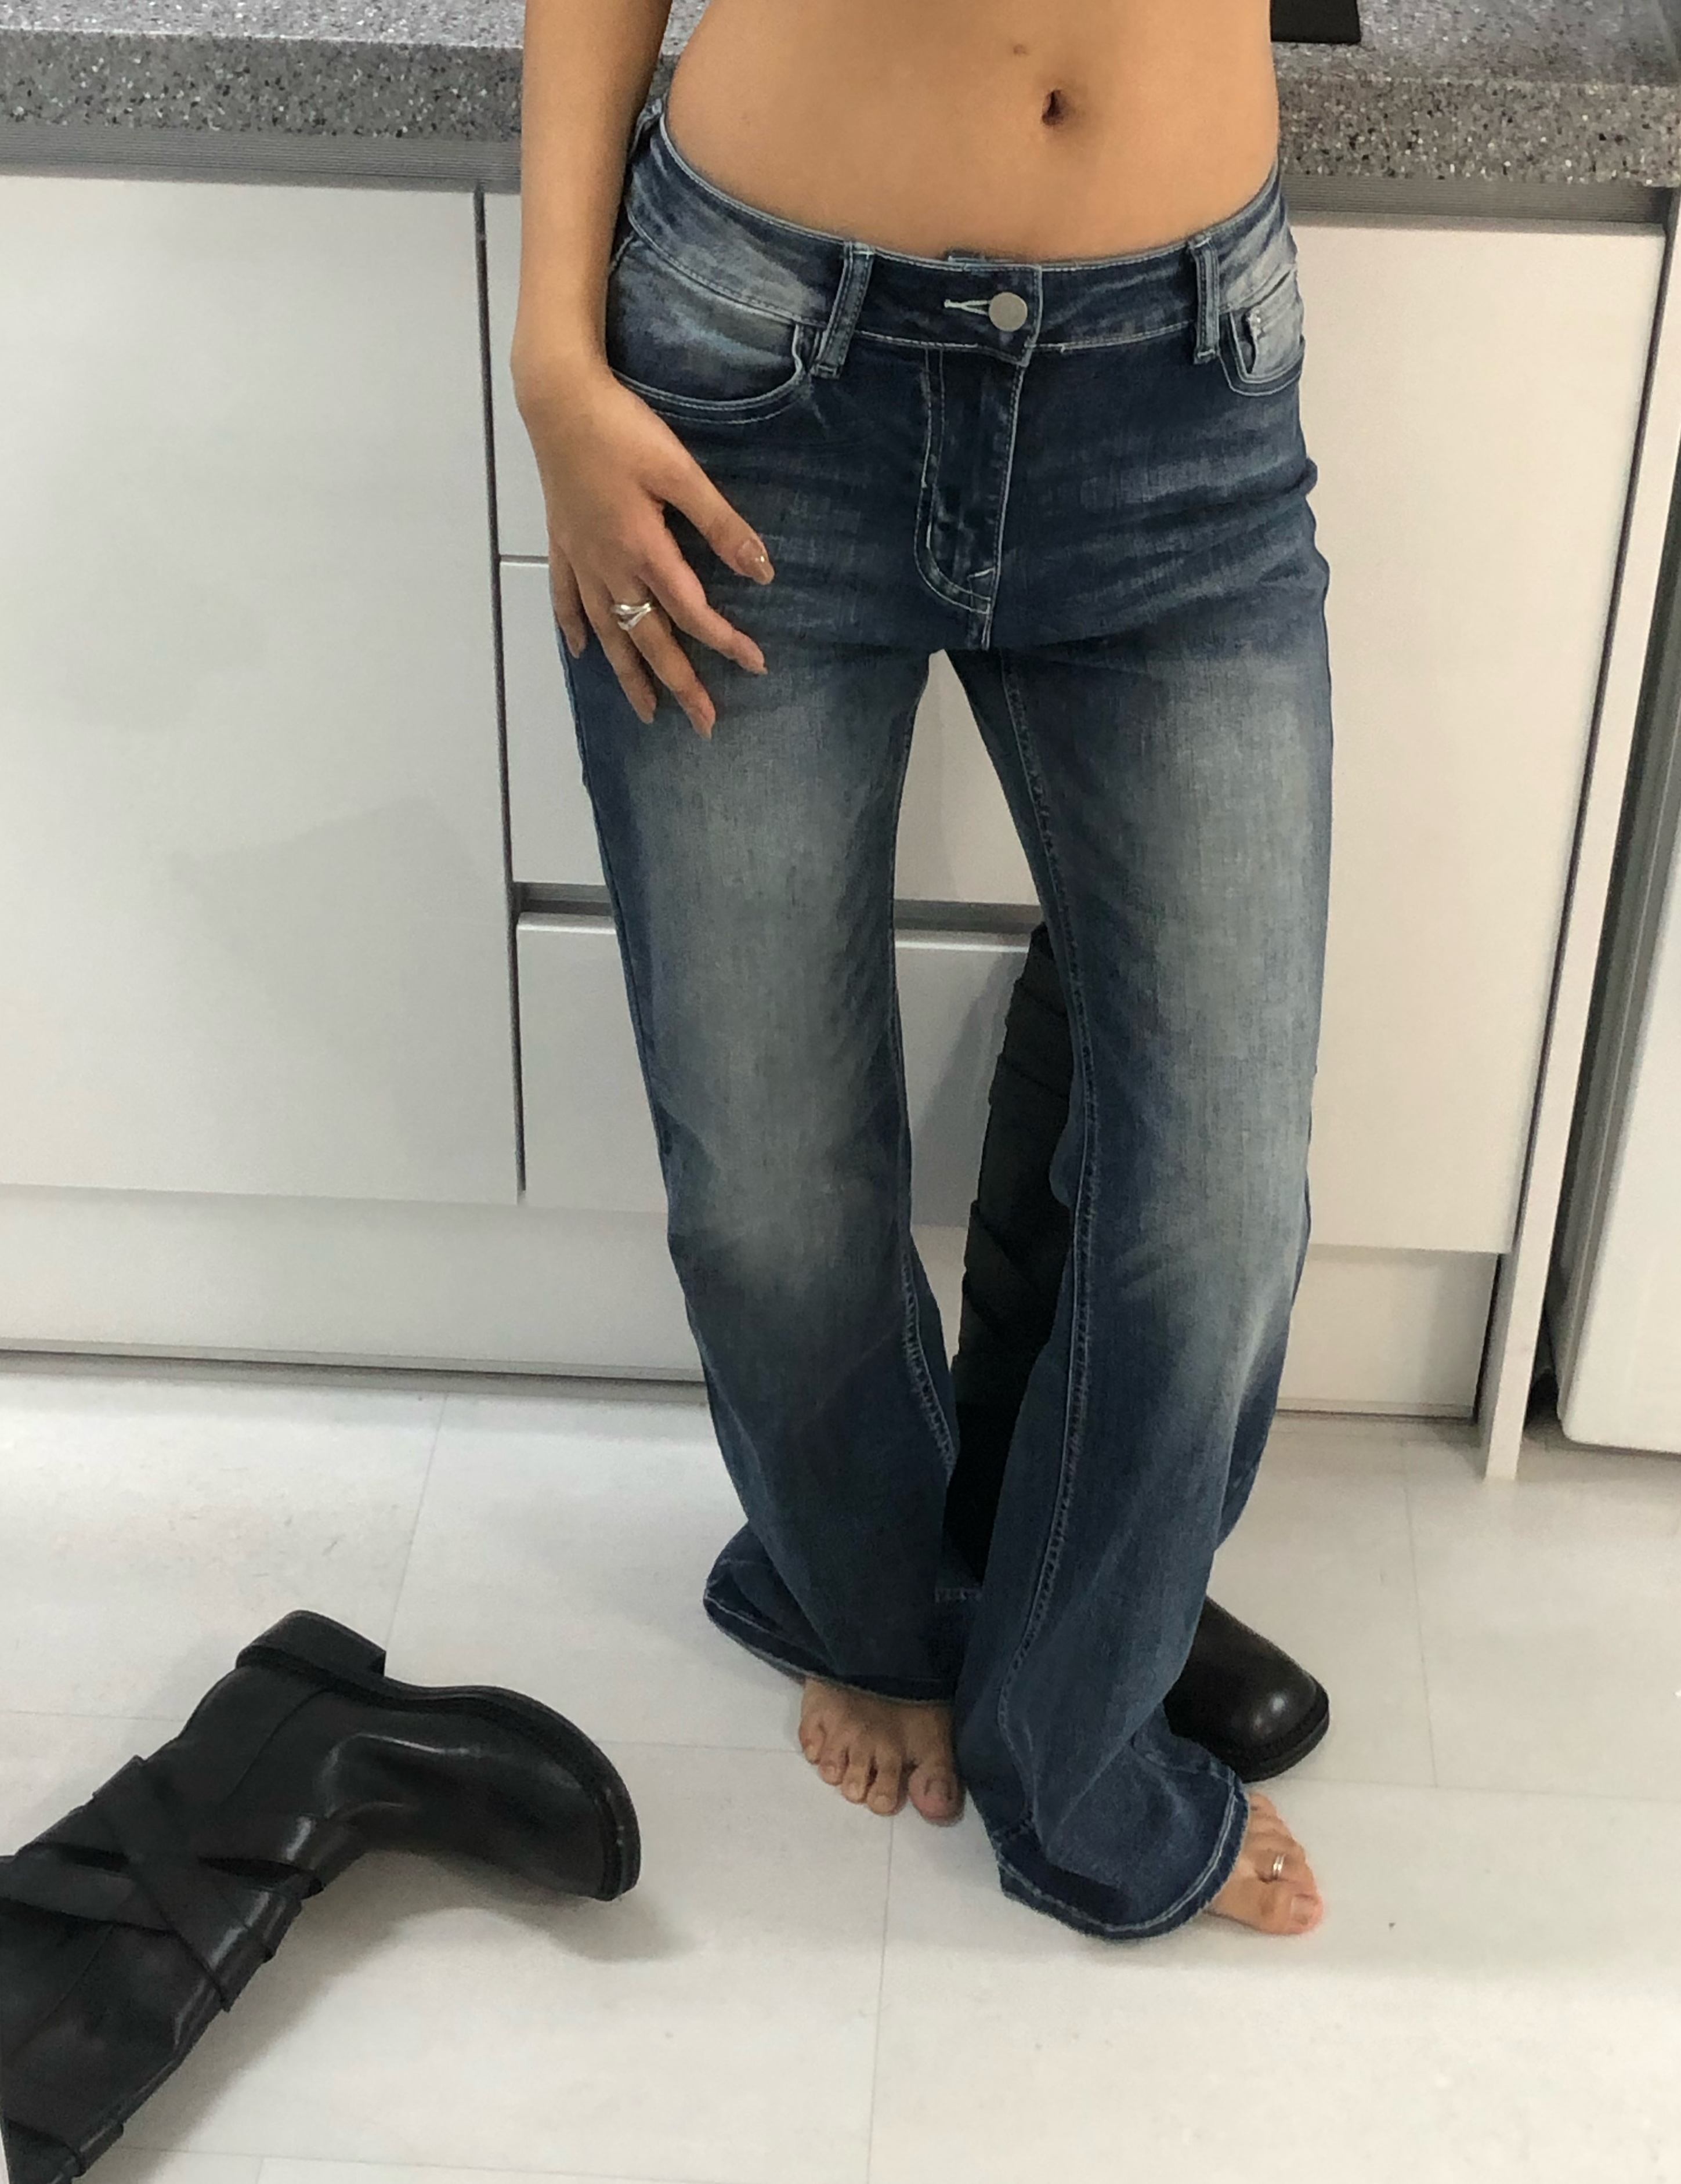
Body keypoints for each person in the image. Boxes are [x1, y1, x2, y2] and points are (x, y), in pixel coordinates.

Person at [512, 0, 1331, 1940]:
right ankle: (863, 1610)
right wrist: (552, 351)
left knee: (1220, 1207)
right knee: (769, 1195)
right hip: (756, 374)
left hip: (1178, 380)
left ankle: (1076, 1730)